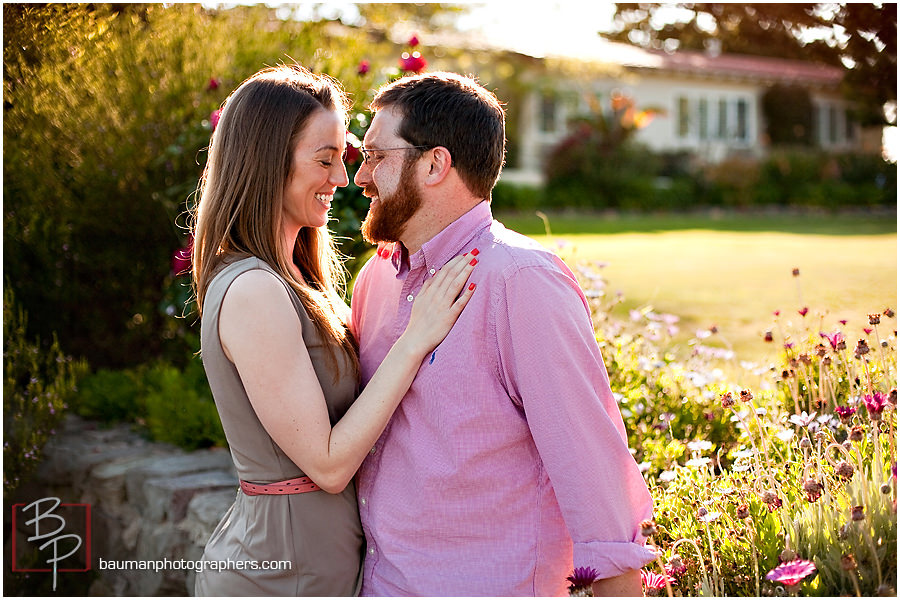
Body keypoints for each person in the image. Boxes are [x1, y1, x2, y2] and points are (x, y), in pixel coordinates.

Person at [349, 71, 656, 596]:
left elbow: (593, 471)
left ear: (434, 164)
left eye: (376, 156)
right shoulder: (376, 279)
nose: (360, 177)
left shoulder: (522, 281)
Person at [189, 65, 477, 596]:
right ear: (266, 161)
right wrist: (416, 339)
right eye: (325, 161)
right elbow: (326, 464)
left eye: (343, 159)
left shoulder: (295, 277)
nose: (342, 180)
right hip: (277, 576)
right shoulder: (254, 290)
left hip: (312, 567)